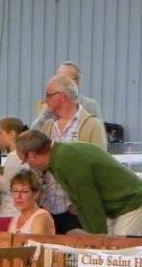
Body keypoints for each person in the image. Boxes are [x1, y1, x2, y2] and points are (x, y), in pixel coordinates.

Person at [16, 129, 142, 236]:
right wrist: (94, 238)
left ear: (32, 154)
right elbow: (80, 203)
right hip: (118, 204)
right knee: (109, 254)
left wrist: (98, 241)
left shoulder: (66, 161)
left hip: (133, 201)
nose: (28, 165)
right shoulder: (59, 157)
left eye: (25, 160)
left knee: (119, 255)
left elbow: (90, 202)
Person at [38, 75, 107, 233]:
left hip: (75, 210)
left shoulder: (92, 125)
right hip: (48, 207)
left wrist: (81, 203)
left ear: (62, 97)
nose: (45, 99)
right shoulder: (48, 126)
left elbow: (99, 167)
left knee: (73, 257)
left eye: (48, 95)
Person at [0, 117, 28, 232]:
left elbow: (2, 186)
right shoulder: (6, 154)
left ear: (12, 134)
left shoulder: (14, 156)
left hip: (8, 212)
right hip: (5, 211)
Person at [31, 59, 102, 130]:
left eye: (64, 79)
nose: (58, 83)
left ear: (77, 83)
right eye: (57, 79)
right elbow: (34, 132)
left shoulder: (89, 105)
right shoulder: (49, 107)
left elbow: (98, 135)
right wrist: (47, 114)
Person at [7, 170, 55, 235]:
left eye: (25, 192)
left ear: (35, 194)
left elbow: (35, 244)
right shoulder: (15, 218)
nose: (18, 196)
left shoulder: (41, 217)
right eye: (15, 191)